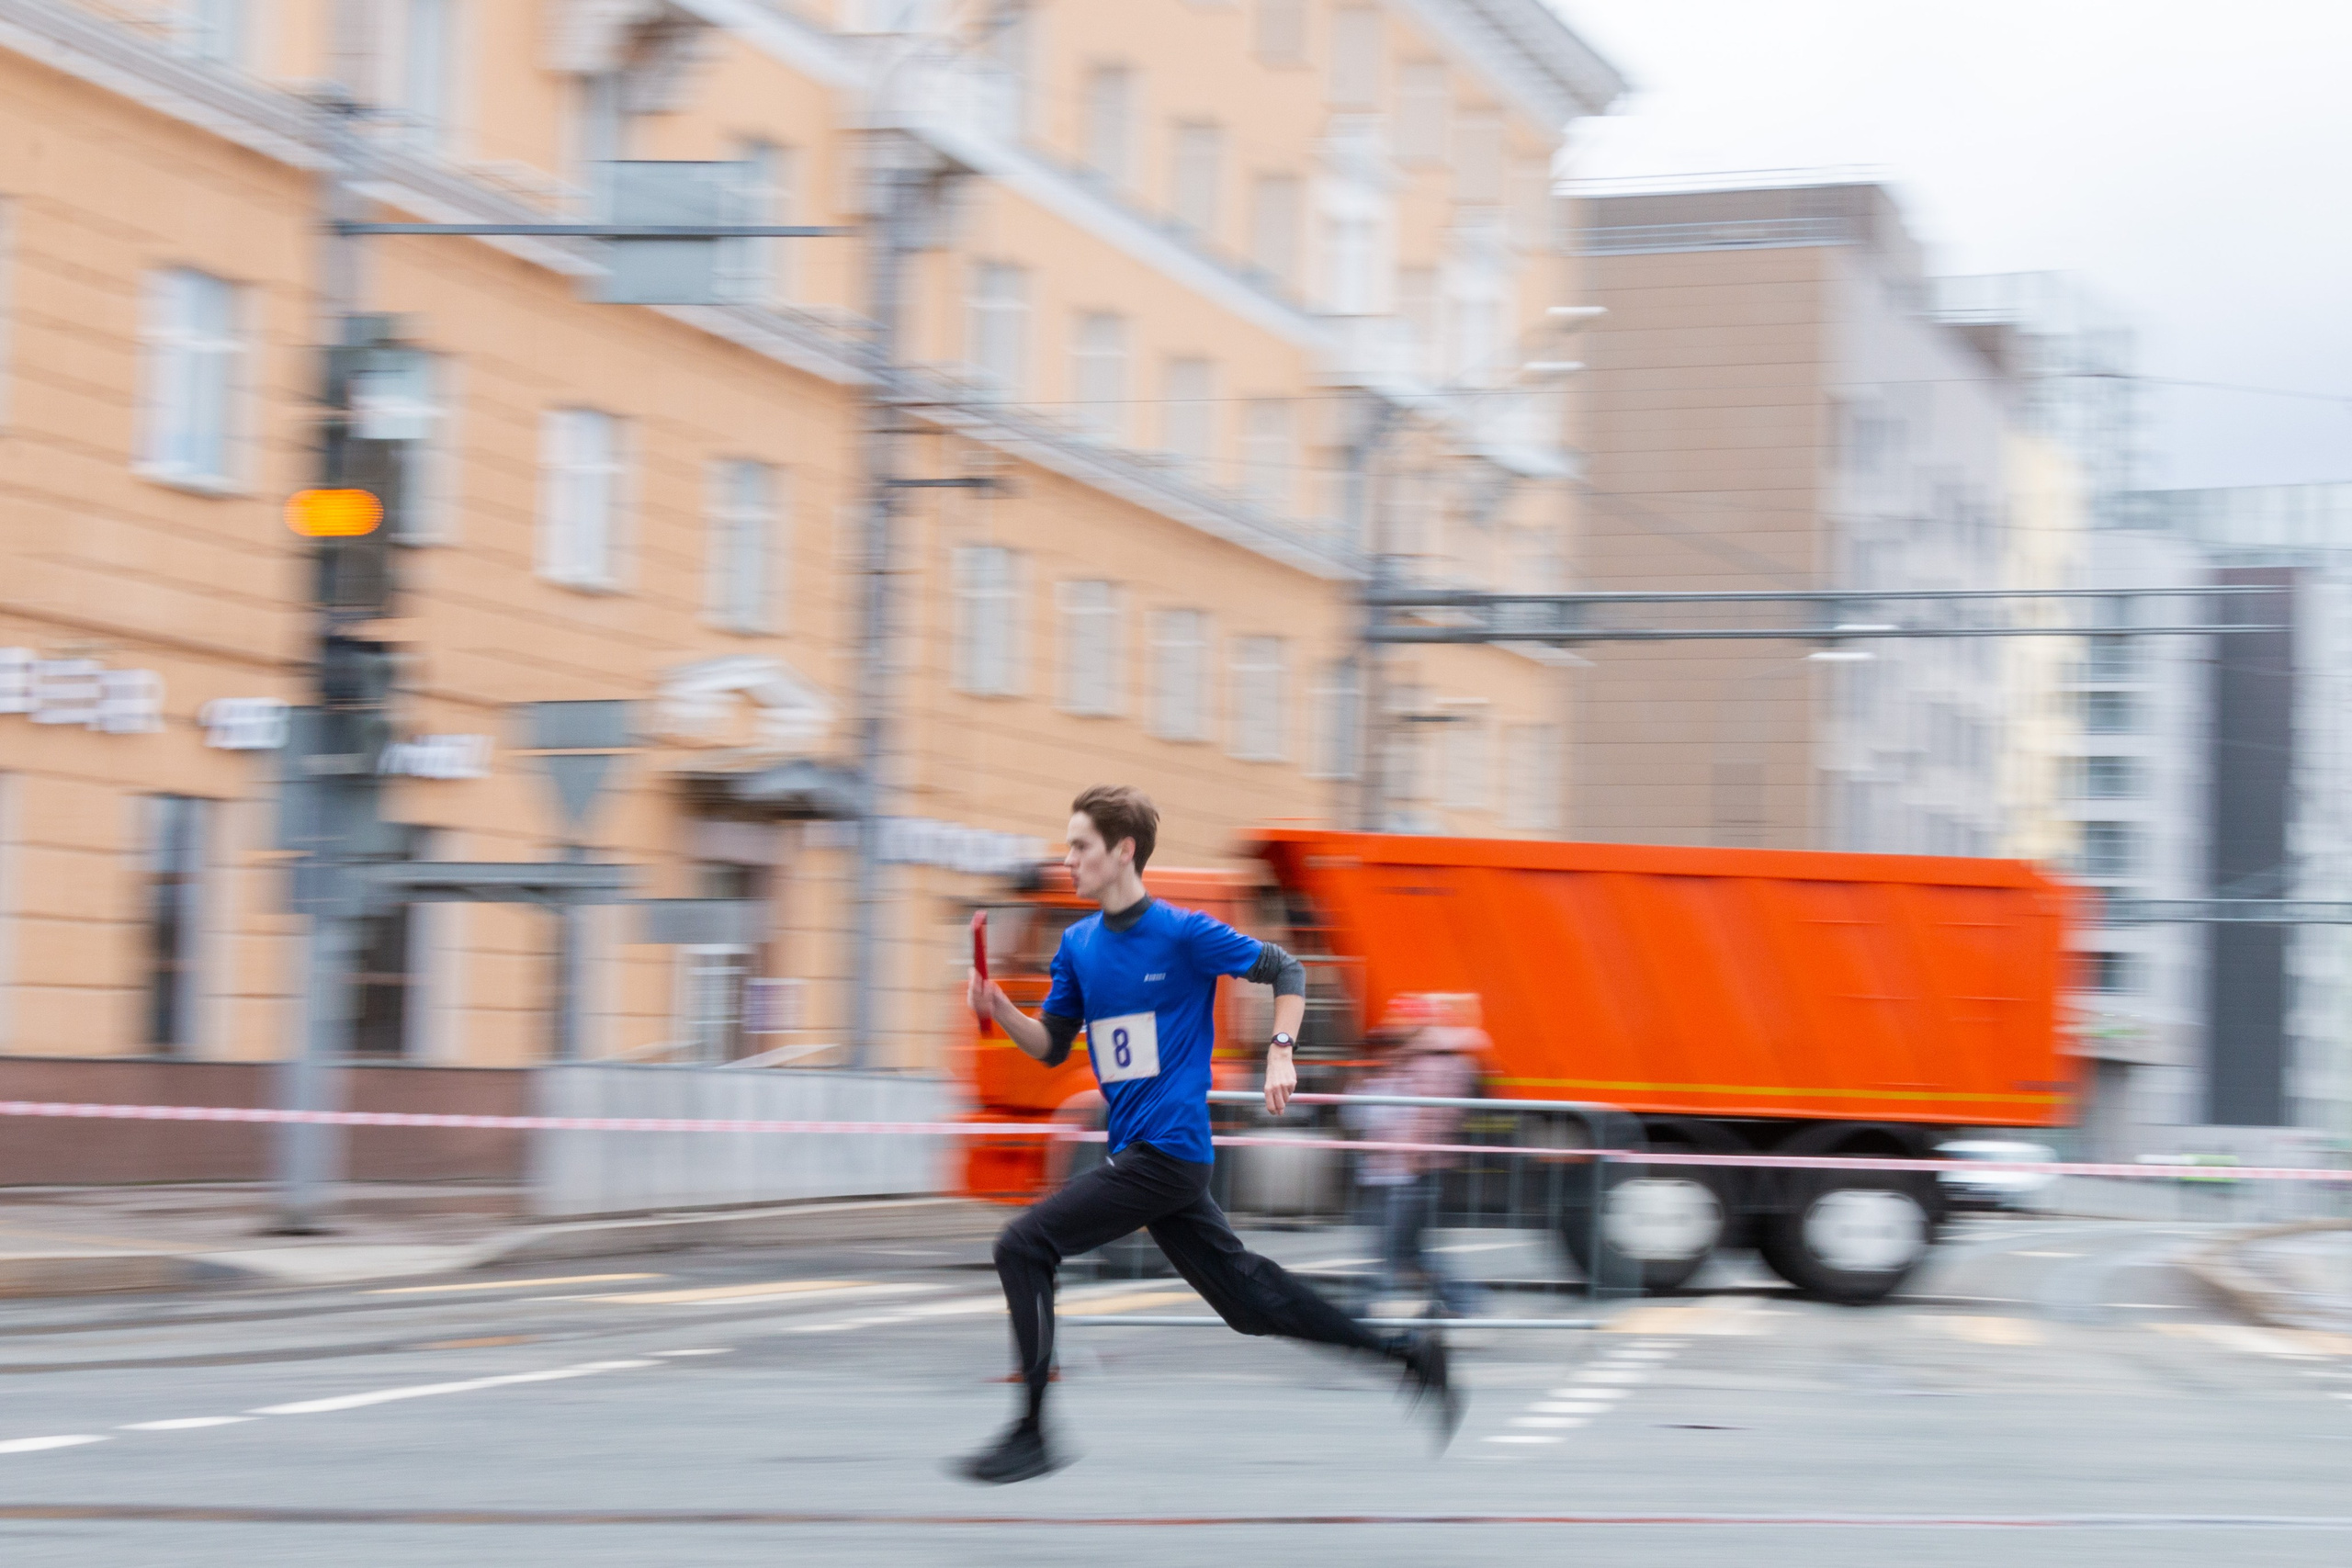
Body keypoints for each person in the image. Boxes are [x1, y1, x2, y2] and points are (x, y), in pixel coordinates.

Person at [956, 784, 1460, 1483]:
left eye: (1081, 845)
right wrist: (1001, 1005)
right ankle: (1409, 1355)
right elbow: (1048, 1045)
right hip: (1138, 1154)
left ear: (1123, 851)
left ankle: (1033, 1429)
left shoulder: (1184, 933)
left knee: (1022, 1244)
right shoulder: (1076, 947)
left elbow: (1288, 968)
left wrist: (1281, 1047)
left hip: (1169, 1153)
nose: (1069, 858)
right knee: (1250, 1302)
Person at [1354, 995, 1489, 1320]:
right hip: (1412, 1167)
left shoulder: (1431, 1064)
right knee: (1405, 1248)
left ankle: (1461, 1301)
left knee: (1396, 1247)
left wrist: (1410, 1156)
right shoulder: (1432, 1060)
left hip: (1412, 1168)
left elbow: (1426, 1118)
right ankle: (1458, 1302)